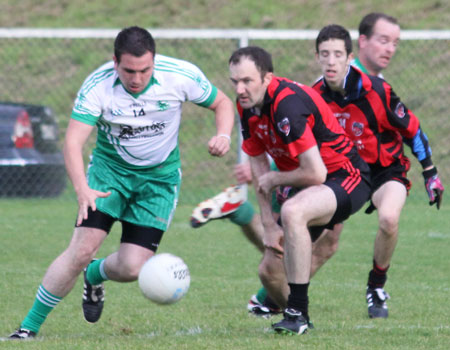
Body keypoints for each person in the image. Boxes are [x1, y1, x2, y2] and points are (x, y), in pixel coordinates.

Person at [9, 26, 235, 340]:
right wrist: (81, 188)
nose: (137, 78)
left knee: (131, 268)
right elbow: (73, 143)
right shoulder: (98, 86)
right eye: (129, 70)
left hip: (159, 180)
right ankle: (27, 328)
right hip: (108, 174)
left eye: (145, 70)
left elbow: (222, 102)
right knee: (81, 250)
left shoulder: (180, 75)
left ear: (154, 62)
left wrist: (223, 134)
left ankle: (95, 274)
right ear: (115, 62)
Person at [228, 46, 372, 335]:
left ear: (267, 78)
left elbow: (316, 172)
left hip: (347, 176)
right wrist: (268, 224)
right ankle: (294, 311)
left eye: (247, 81)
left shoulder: (287, 106)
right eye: (235, 82)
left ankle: (297, 314)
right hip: (310, 185)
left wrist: (277, 179)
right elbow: (257, 164)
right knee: (268, 272)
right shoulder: (246, 107)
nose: (240, 89)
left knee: (295, 212)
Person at [311, 24, 444, 319]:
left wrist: (430, 172)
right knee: (320, 239)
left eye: (337, 54)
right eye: (324, 55)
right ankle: (278, 294)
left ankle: (376, 286)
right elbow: (301, 141)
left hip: (386, 170)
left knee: (388, 218)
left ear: (349, 58)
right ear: (318, 58)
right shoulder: (314, 97)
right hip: (345, 173)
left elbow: (412, 129)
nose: (331, 61)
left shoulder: (377, 91)